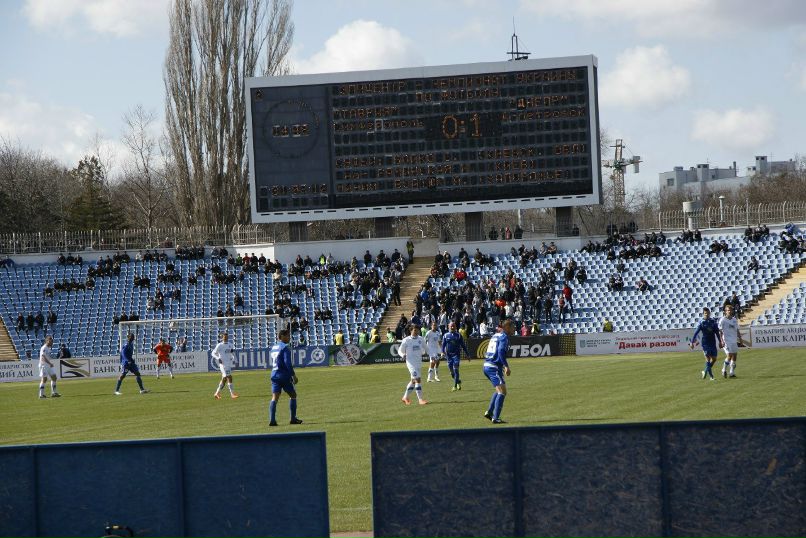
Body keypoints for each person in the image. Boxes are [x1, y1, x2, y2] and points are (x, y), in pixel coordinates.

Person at [268, 329, 302, 426]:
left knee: (275, 397)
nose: (289, 338)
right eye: (287, 336)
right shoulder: (285, 348)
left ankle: (272, 420)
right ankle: (293, 419)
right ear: (282, 336)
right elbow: (287, 363)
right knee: (293, 395)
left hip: (274, 374)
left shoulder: (274, 347)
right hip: (283, 374)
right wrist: (293, 375)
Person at [483, 320, 515, 424]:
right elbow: (501, 351)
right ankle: (496, 418)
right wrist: (506, 366)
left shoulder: (495, 335)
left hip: (488, 365)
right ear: (507, 327)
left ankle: (489, 412)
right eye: (513, 327)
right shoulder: (504, 337)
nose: (514, 329)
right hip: (494, 367)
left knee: (498, 390)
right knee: (502, 391)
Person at [398, 325, 427, 405]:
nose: (416, 332)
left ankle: (405, 397)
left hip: (418, 362)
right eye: (415, 330)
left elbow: (426, 348)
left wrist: (432, 354)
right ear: (411, 331)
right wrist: (403, 355)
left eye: (417, 330)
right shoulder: (406, 340)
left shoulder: (421, 339)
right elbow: (400, 351)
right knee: (418, 379)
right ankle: (420, 400)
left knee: (413, 381)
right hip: (410, 363)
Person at [690, 307, 721, 381]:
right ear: (703, 314)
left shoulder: (713, 321)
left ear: (710, 313)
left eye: (707, 313)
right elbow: (696, 333)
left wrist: (720, 341)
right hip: (705, 343)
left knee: (714, 359)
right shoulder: (701, 322)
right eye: (705, 313)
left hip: (712, 343)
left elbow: (717, 332)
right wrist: (692, 342)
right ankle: (711, 377)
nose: (706, 314)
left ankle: (705, 371)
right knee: (708, 359)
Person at [442, 322, 470, 391]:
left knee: (456, 370)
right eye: (451, 326)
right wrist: (442, 352)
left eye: (453, 326)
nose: (452, 327)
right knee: (452, 373)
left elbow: (463, 346)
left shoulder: (459, 335)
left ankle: (454, 386)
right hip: (449, 356)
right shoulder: (445, 335)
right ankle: (458, 381)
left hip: (456, 356)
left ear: (455, 327)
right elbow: (443, 345)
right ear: (448, 327)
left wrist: (467, 354)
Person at [719, 304, 745, 378]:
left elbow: (737, 330)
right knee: (729, 355)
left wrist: (740, 339)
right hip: (726, 340)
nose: (729, 311)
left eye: (730, 310)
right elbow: (720, 331)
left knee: (734, 356)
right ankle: (724, 369)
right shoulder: (722, 320)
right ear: (725, 311)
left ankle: (731, 372)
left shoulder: (734, 320)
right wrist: (722, 341)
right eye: (728, 310)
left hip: (733, 340)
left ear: (732, 311)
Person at [211, 332, 238, 399]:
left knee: (224, 379)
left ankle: (217, 393)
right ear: (222, 338)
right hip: (223, 364)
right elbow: (213, 353)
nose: (226, 338)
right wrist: (218, 358)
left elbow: (233, 353)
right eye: (224, 337)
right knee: (229, 377)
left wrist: (236, 360)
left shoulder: (230, 344)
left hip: (228, 364)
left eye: (226, 337)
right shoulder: (219, 345)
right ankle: (232, 394)